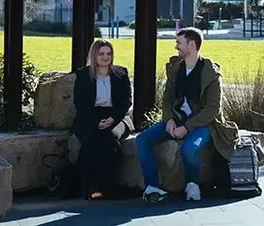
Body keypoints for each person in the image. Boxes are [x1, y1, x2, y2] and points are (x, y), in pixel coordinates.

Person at [135, 27, 239, 204]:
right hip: (176, 120)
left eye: (179, 43)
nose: (176, 47)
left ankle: (192, 184)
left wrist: (187, 127)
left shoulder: (211, 74)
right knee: (142, 139)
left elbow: (212, 110)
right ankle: (152, 187)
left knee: (189, 149)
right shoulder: (175, 70)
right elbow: (167, 100)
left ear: (192, 45)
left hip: (204, 125)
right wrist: (168, 120)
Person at [72, 39, 132, 200]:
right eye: (101, 54)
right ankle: (90, 186)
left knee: (108, 140)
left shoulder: (121, 73)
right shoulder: (84, 75)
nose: (105, 57)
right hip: (90, 115)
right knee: (91, 139)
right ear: (94, 55)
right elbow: (80, 104)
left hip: (116, 116)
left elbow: (125, 102)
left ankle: (106, 186)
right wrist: (94, 122)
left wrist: (113, 119)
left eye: (109, 53)